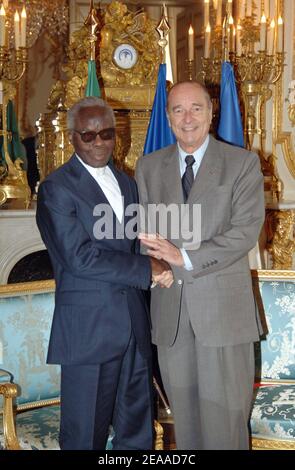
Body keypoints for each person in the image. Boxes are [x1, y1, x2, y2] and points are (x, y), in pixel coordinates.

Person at [36, 96, 173, 450]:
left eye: (107, 134)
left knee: (138, 432)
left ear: (117, 136)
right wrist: (148, 268)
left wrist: (174, 258)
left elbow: (132, 243)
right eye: (88, 135)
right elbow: (79, 258)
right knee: (85, 437)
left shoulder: (127, 184)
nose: (99, 142)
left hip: (133, 325)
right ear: (72, 138)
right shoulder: (56, 188)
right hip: (89, 331)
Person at [135, 81, 265, 450]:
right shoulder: (148, 167)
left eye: (196, 108)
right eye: (178, 110)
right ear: (168, 117)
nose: (187, 118)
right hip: (170, 315)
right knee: (186, 426)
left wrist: (183, 258)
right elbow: (144, 234)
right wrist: (156, 264)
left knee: (225, 424)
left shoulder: (242, 164)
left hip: (223, 315)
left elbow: (245, 232)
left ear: (211, 113)